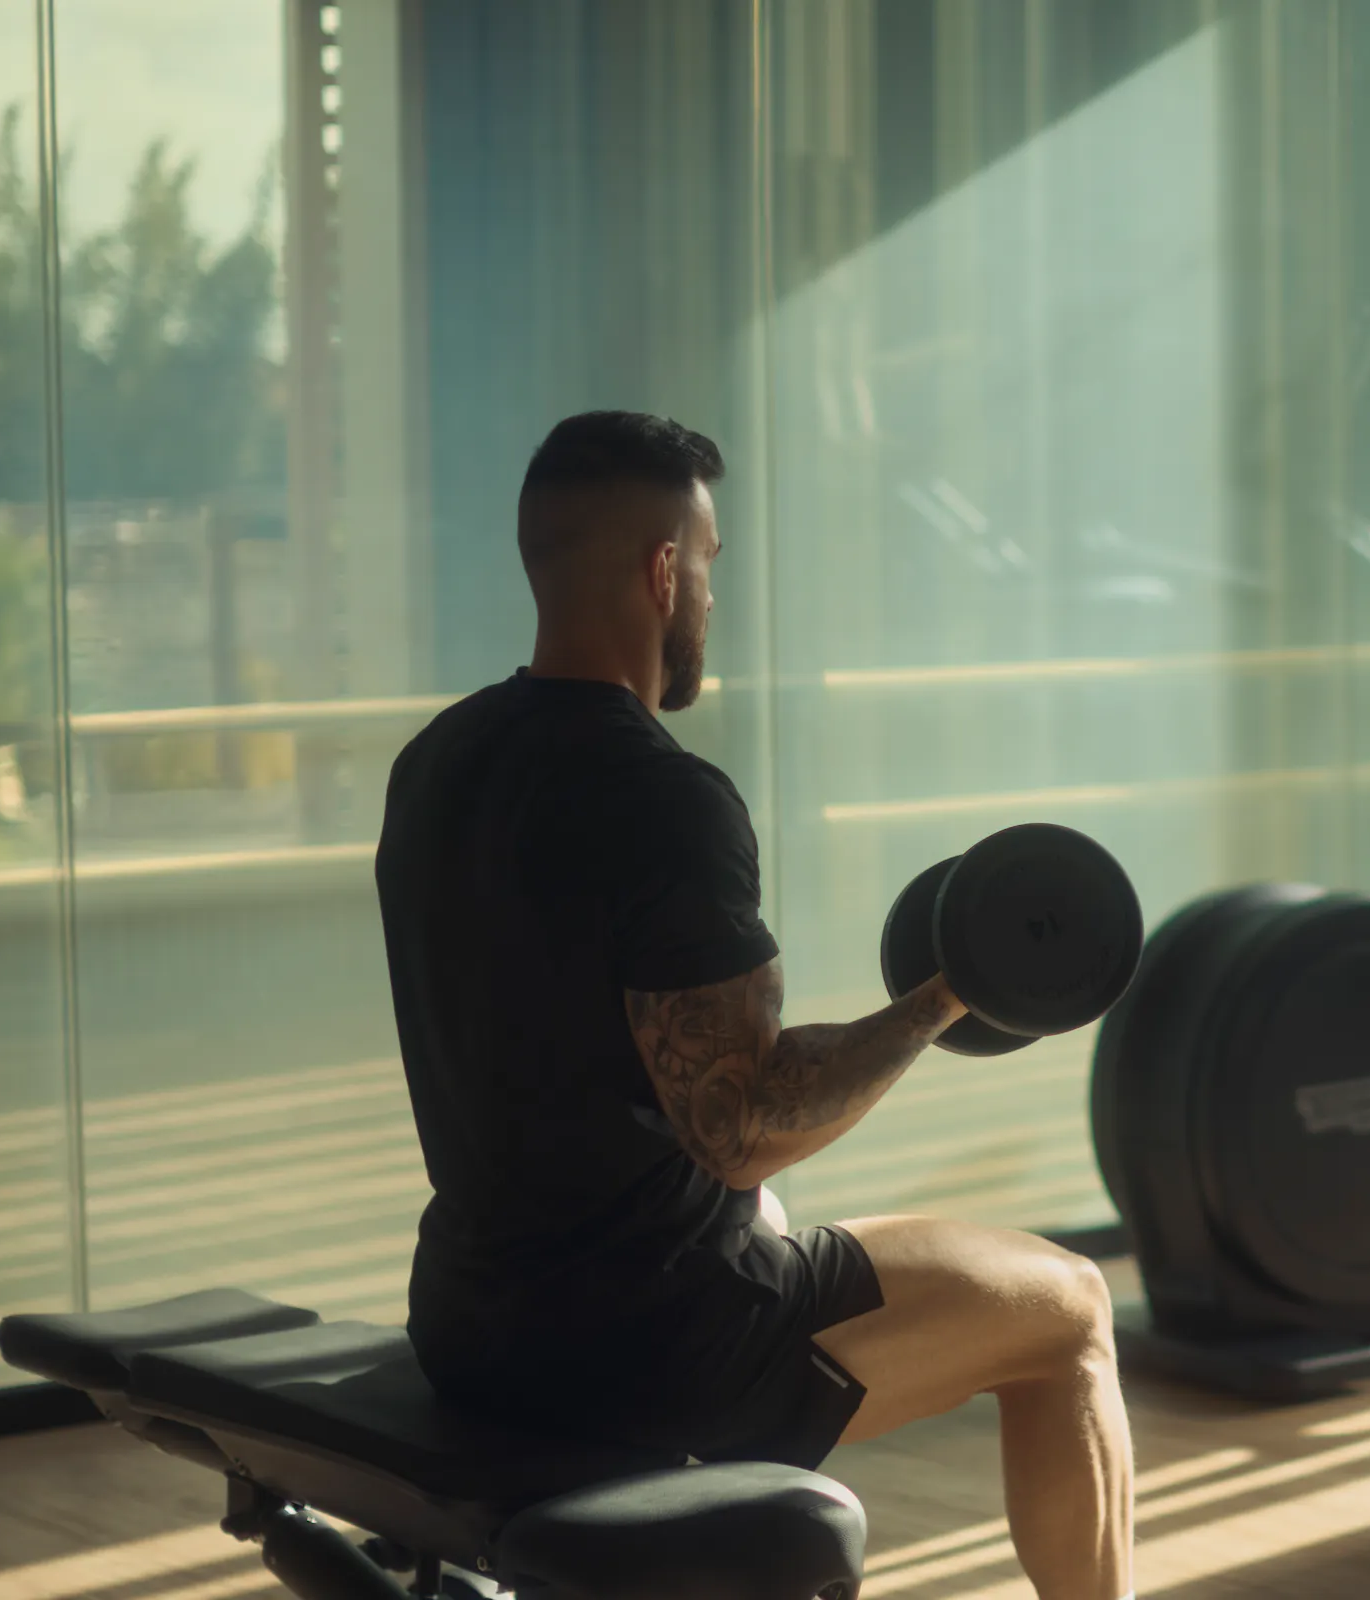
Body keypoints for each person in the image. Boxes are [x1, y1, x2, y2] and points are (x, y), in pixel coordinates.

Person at [375, 412, 1136, 1600]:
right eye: (712, 564)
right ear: (664, 569)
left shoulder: (437, 765)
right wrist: (953, 993)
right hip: (659, 1355)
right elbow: (742, 1129)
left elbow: (589, 1068)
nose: (713, 600)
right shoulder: (665, 798)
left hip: (472, 1320)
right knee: (1071, 1308)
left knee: (778, 1213)